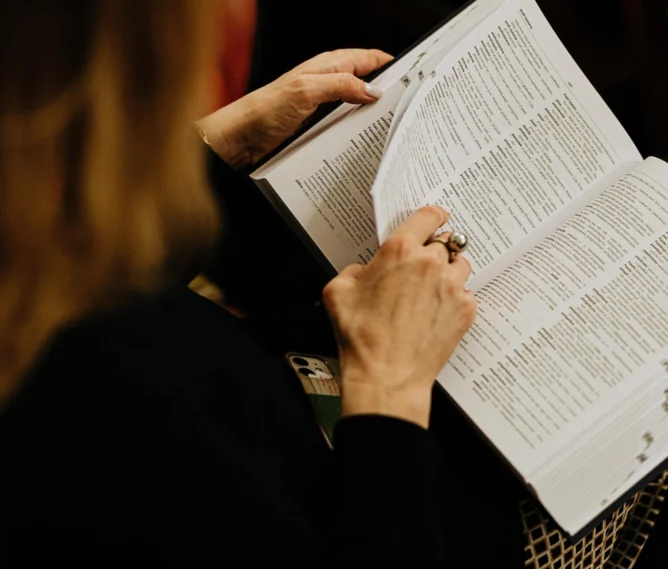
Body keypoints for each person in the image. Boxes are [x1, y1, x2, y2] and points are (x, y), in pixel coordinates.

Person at [0, 1, 523, 567]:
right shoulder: (113, 407)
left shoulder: (31, 258)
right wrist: (390, 381)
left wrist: (212, 147)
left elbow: (74, 267)